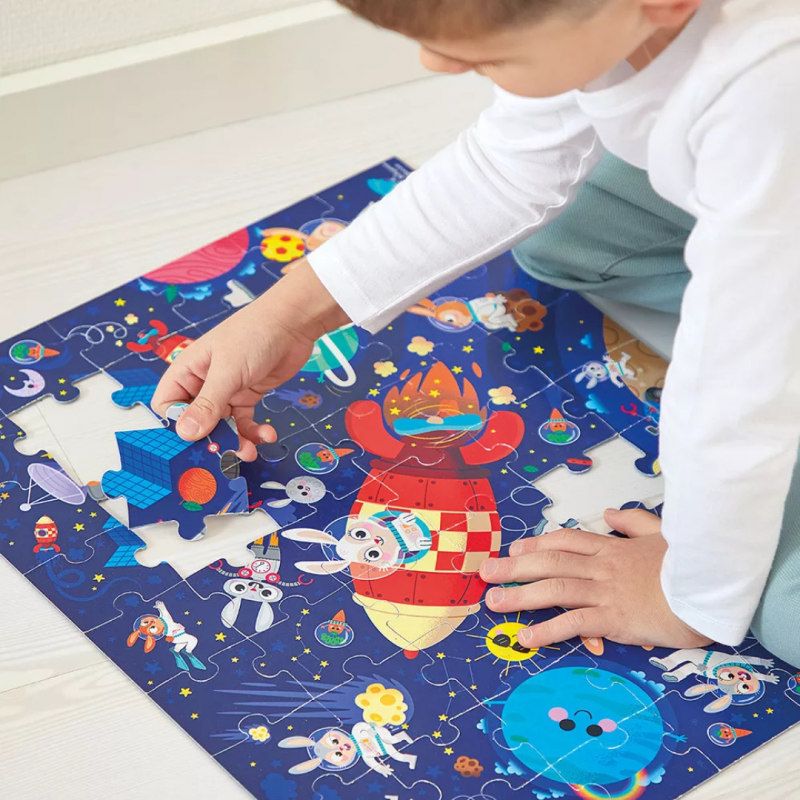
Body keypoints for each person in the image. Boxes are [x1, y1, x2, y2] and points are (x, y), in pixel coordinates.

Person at [152, 0, 800, 666]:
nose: (436, 63)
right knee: (567, 227)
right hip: (771, 219)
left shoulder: (767, 101)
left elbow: (738, 387)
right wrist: (288, 315)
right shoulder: (632, 24)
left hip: (772, 218)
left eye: (493, 52)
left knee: (784, 612)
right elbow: (505, 169)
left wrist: (687, 595)